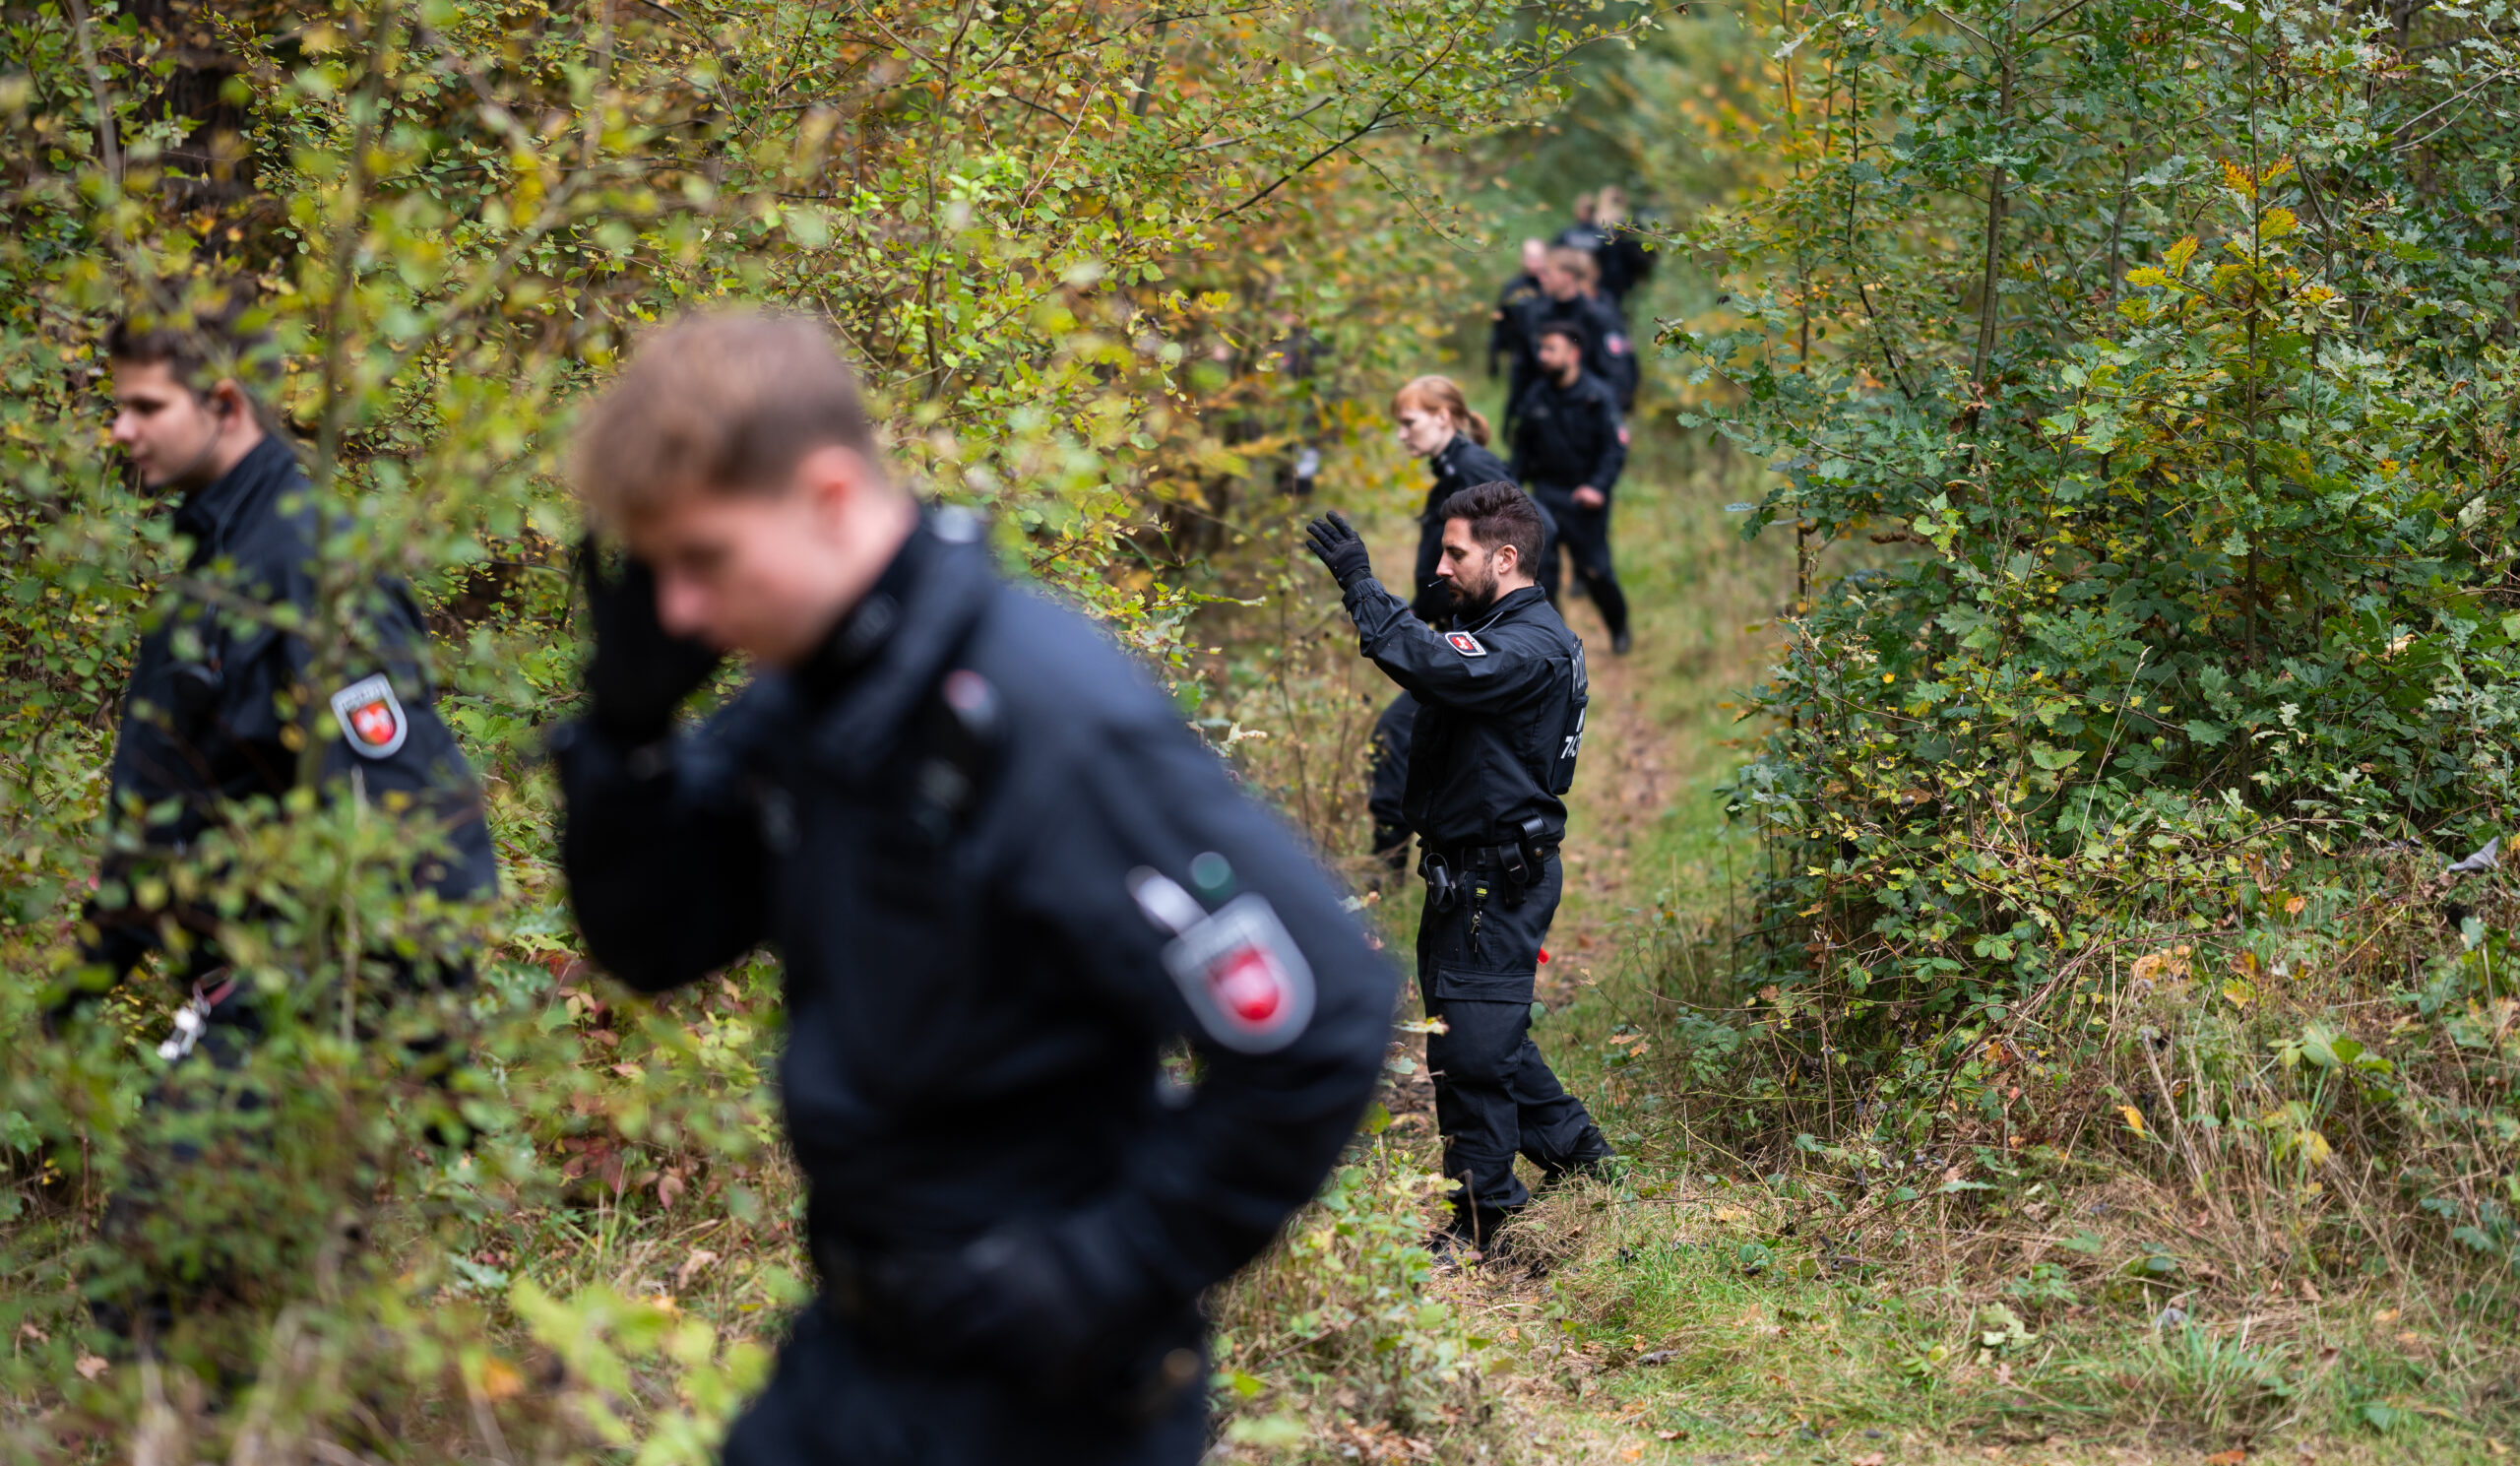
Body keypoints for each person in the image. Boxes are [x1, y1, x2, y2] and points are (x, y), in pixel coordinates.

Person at [551, 310, 1394, 1466]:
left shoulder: (1047, 716)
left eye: (704, 560)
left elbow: (1325, 1011)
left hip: (1047, 1396)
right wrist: (626, 740)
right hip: (859, 1357)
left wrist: (1102, 1271)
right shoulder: (813, 703)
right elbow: (654, 939)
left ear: (831, 495)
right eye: (662, 573)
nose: (683, 610)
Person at [48, 294, 498, 1334]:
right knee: (235, 1325)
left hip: (294, 1011)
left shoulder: (303, 564)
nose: (118, 430)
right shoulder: (223, 555)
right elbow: (183, 796)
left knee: (150, 1300)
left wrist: (418, 1042)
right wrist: (97, 968)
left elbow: (411, 814)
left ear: (224, 403)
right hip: (240, 995)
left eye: (142, 407)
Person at [1303, 485, 1610, 1255]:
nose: (1441, 567)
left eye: (1455, 553)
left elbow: (1436, 664)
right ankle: (1582, 1156)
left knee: (1471, 1050)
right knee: (1481, 1030)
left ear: (1506, 557)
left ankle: (1485, 1219)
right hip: (1466, 876)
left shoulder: (1528, 644)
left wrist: (1361, 585)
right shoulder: (1503, 627)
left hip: (1493, 879)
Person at [1391, 374, 1553, 626]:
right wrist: (1421, 608)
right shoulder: (1450, 470)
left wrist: (1500, 608)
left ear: (1442, 417)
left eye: (1409, 423)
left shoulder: (1471, 467)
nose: (1402, 434)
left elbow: (1541, 528)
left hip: (1482, 624)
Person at [1512, 323, 1633, 656]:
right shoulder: (1536, 395)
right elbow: (1521, 454)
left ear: (1574, 353)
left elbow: (1615, 449)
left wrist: (1597, 487)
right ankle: (1558, 645)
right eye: (1542, 349)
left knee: (1597, 572)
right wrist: (1510, 492)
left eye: (1551, 349)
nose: (1543, 356)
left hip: (1584, 500)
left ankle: (1619, 628)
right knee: (1541, 578)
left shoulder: (1597, 396)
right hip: (1544, 496)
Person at [1488, 238, 1548, 406]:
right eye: (1529, 257)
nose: (1533, 262)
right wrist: (1494, 356)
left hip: (1547, 354)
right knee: (1517, 402)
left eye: (1537, 257)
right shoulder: (1513, 287)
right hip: (1520, 355)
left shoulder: (1549, 287)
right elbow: (1499, 321)